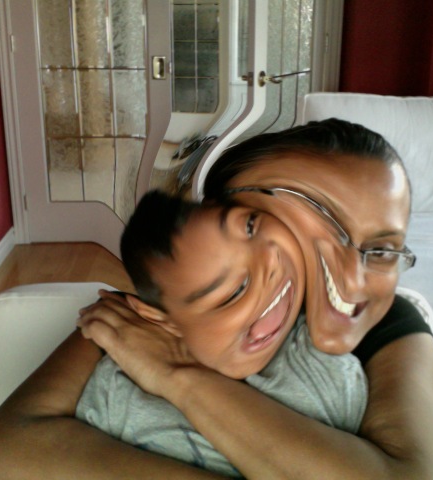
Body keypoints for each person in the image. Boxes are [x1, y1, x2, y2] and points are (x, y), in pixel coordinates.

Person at [0, 118, 433, 479]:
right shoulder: (138, 318)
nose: (352, 280)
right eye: (321, 221)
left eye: (383, 250)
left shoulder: (391, 322)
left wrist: (177, 375)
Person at [76, 190, 367, 477]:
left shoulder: (321, 365)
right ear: (163, 320)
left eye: (251, 226)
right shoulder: (118, 387)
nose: (271, 260)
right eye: (235, 292)